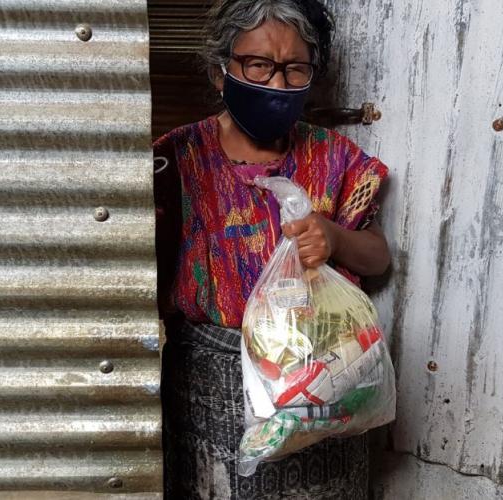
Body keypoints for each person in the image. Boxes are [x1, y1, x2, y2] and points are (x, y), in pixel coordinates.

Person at [153, 1, 391, 498]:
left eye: (295, 69)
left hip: (327, 383)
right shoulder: (178, 158)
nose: (277, 86)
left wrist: (335, 237)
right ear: (223, 71)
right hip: (213, 386)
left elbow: (378, 259)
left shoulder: (335, 159)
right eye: (259, 65)